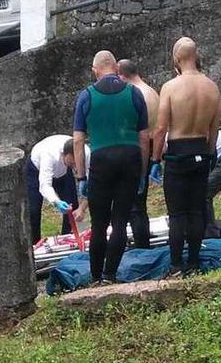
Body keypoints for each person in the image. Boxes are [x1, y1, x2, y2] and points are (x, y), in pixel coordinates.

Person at [72, 51, 149, 285]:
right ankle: (110, 275)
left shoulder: (87, 96)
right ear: (116, 68)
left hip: (101, 160)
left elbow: (77, 140)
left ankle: (95, 276)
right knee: (120, 221)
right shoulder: (134, 93)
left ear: (94, 70)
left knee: (98, 224)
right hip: (130, 158)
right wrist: (144, 171)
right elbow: (144, 137)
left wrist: (81, 176)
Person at [151, 37, 221, 277]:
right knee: (196, 210)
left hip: (178, 152)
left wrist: (154, 159)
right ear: (196, 55)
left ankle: (175, 264)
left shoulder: (171, 87)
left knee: (177, 213)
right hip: (201, 149)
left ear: (176, 58)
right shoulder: (211, 87)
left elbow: (160, 128)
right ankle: (193, 262)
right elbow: (214, 127)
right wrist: (210, 151)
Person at [118, 59, 158, 248]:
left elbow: (137, 132)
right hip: (151, 150)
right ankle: (142, 244)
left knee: (134, 207)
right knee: (139, 205)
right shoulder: (151, 91)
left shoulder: (135, 95)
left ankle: (141, 247)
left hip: (139, 151)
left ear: (121, 76)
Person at [26, 135, 86, 244]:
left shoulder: (85, 151)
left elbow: (92, 181)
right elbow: (45, 185)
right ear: (64, 154)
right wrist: (56, 201)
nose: (75, 167)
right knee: (33, 210)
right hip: (36, 169)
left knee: (72, 205)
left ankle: (68, 240)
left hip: (63, 171)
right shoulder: (48, 155)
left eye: (77, 164)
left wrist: (82, 207)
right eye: (72, 163)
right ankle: (35, 245)